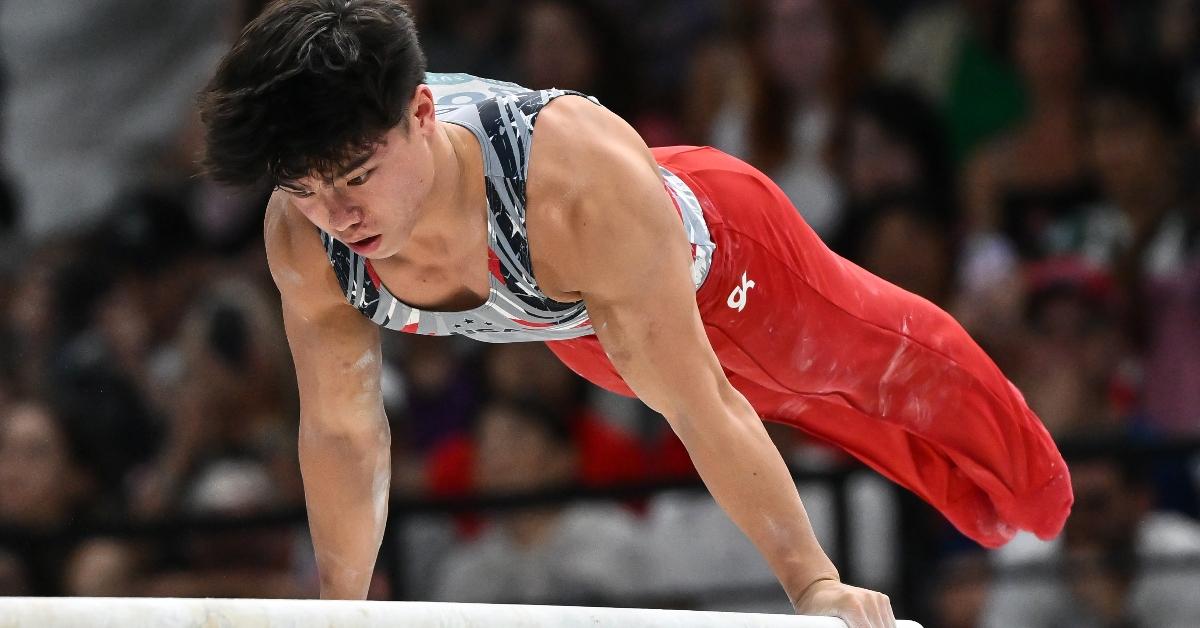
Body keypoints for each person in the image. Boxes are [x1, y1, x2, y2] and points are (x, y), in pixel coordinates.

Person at [198, 2, 1074, 626]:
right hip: (589, 330)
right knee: (810, 410)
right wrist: (343, 616)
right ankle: (991, 507)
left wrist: (813, 587)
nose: (340, 216)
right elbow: (345, 431)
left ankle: (1038, 491)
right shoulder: (303, 232)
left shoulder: (567, 182)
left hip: (725, 257)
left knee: (865, 369)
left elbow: (705, 407)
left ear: (422, 113)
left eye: (355, 176)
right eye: (307, 190)